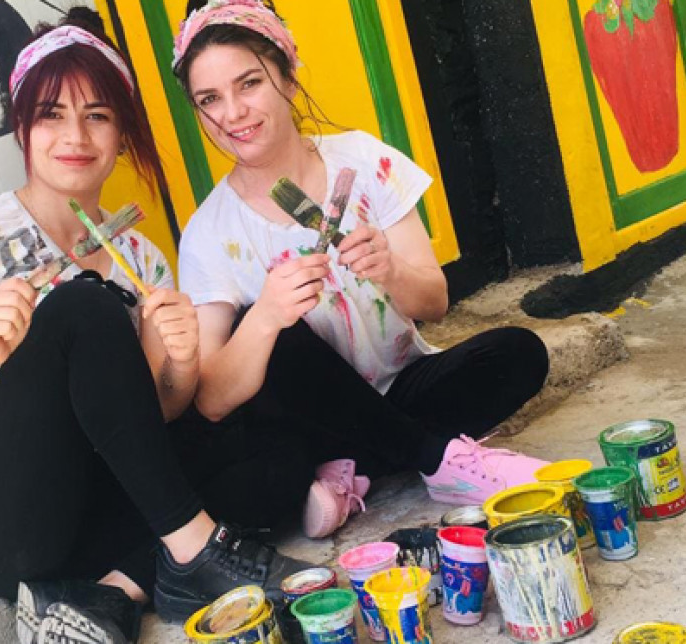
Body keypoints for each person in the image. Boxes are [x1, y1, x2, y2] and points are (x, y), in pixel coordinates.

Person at [0, 9, 308, 643]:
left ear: (121, 133)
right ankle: (196, 554)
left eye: (98, 116)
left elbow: (151, 421)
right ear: (22, 128)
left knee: (270, 454)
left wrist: (183, 363)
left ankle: (114, 594)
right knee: (82, 304)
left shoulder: (139, 256)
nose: (75, 135)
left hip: (83, 502)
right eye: (52, 114)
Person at [172, 0, 552, 540]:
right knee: (272, 333)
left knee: (519, 352)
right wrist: (265, 319)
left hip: (399, 387)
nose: (233, 112)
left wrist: (389, 270)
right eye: (210, 99)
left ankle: (359, 471)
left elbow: (434, 303)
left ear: (289, 75)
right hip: (308, 422)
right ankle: (437, 459)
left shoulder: (363, 161)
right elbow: (209, 398)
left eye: (250, 83)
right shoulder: (209, 231)